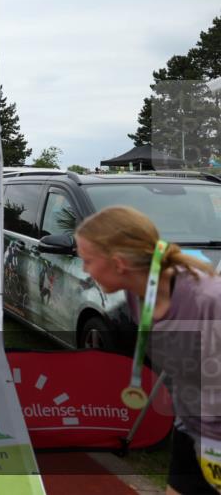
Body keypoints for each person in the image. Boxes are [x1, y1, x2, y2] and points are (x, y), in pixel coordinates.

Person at [75, 206, 220, 495]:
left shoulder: (207, 301)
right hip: (192, 427)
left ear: (118, 263)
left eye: (88, 261)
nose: (84, 270)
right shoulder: (137, 293)